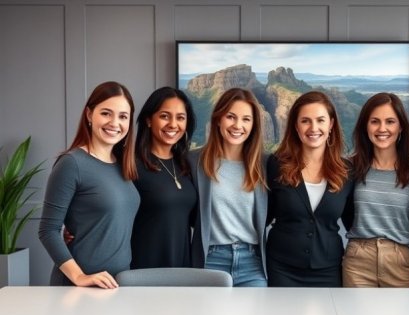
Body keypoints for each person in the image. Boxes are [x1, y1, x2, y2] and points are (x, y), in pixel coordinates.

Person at [38, 81, 139, 288]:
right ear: (89, 115)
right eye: (106, 113)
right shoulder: (72, 163)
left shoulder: (123, 165)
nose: (114, 122)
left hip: (118, 283)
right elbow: (48, 230)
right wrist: (79, 277)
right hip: (81, 287)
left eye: (123, 116)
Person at [266, 91, 354, 287]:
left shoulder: (347, 171)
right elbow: (264, 214)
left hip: (329, 267)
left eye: (320, 120)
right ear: (296, 126)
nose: (313, 128)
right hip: (282, 266)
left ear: (331, 124)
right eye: (305, 121)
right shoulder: (277, 164)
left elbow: (352, 222)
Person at [189, 88, 268, 287]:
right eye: (230, 117)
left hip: (252, 262)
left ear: (254, 125)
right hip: (211, 260)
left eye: (246, 119)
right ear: (218, 119)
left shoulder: (265, 165)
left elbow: (272, 211)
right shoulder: (194, 161)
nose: (237, 125)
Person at [342, 92, 409, 287]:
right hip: (358, 260)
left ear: (401, 126)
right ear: (365, 126)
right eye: (375, 121)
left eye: (390, 122)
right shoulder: (351, 166)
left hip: (400, 259)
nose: (382, 129)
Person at [130, 87, 197, 269]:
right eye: (165, 116)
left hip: (181, 267)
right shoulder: (131, 164)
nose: (173, 124)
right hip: (142, 269)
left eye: (180, 118)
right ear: (148, 120)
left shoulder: (186, 165)